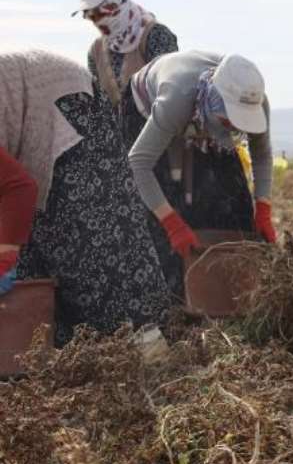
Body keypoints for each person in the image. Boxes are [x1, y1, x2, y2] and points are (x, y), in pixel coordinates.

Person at [1, 50, 169, 349]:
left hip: (69, 102)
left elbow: (19, 188)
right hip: (27, 110)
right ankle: (62, 347)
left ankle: (141, 339)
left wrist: (5, 256)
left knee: (90, 235)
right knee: (34, 243)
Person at [126, 51, 274, 297]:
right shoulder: (176, 100)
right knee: (157, 214)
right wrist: (171, 223)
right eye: (231, 122)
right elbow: (138, 164)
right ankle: (171, 304)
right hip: (146, 106)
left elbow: (261, 155)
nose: (237, 128)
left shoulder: (256, 102)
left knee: (232, 205)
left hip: (203, 112)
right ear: (216, 102)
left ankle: (229, 297)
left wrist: (264, 211)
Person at [74, 0, 180, 149]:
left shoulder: (155, 35)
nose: (95, 21)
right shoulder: (96, 50)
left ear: (114, 7)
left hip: (158, 141)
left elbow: (169, 92)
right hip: (117, 146)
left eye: (99, 14)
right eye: (90, 16)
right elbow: (98, 102)